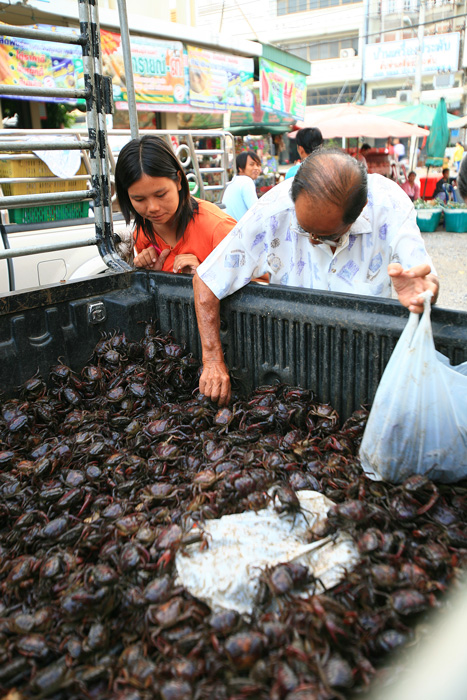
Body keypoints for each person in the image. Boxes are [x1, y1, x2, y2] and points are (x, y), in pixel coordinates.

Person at [193, 148, 439, 405]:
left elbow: (427, 280)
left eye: (325, 235)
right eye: (304, 229)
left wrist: (425, 291)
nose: (312, 239)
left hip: (365, 366)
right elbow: (207, 280)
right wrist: (211, 360)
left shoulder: (391, 206)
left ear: (360, 210)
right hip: (291, 364)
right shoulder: (273, 209)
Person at [115, 135, 237, 274]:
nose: (153, 208)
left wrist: (206, 275)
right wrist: (153, 275)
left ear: (178, 180)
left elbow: (259, 285)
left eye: (161, 195)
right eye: (139, 199)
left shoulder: (218, 228)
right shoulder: (142, 234)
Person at [221, 150, 262, 221]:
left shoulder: (234, 181)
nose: (256, 168)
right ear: (240, 168)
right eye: (251, 165)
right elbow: (256, 210)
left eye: (258, 165)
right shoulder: (246, 181)